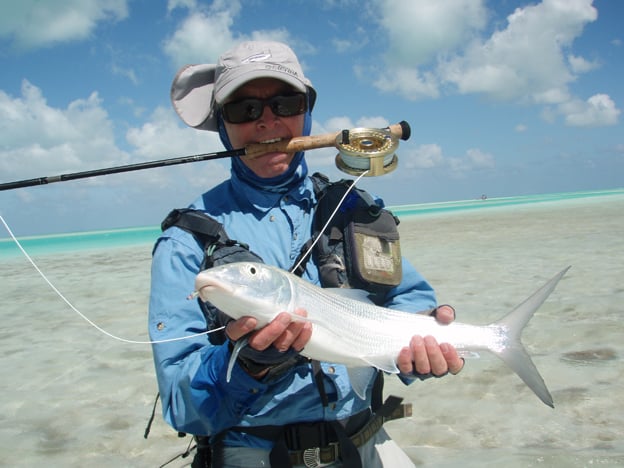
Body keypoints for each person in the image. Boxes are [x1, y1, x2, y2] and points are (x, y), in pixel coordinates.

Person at [149, 40, 464, 468]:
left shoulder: (353, 209)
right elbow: (181, 406)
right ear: (224, 126)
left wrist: (422, 346)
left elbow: (408, 303)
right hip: (251, 453)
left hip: (365, 439)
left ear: (307, 111)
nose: (267, 122)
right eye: (245, 111)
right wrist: (248, 366)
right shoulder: (186, 241)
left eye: (285, 103)